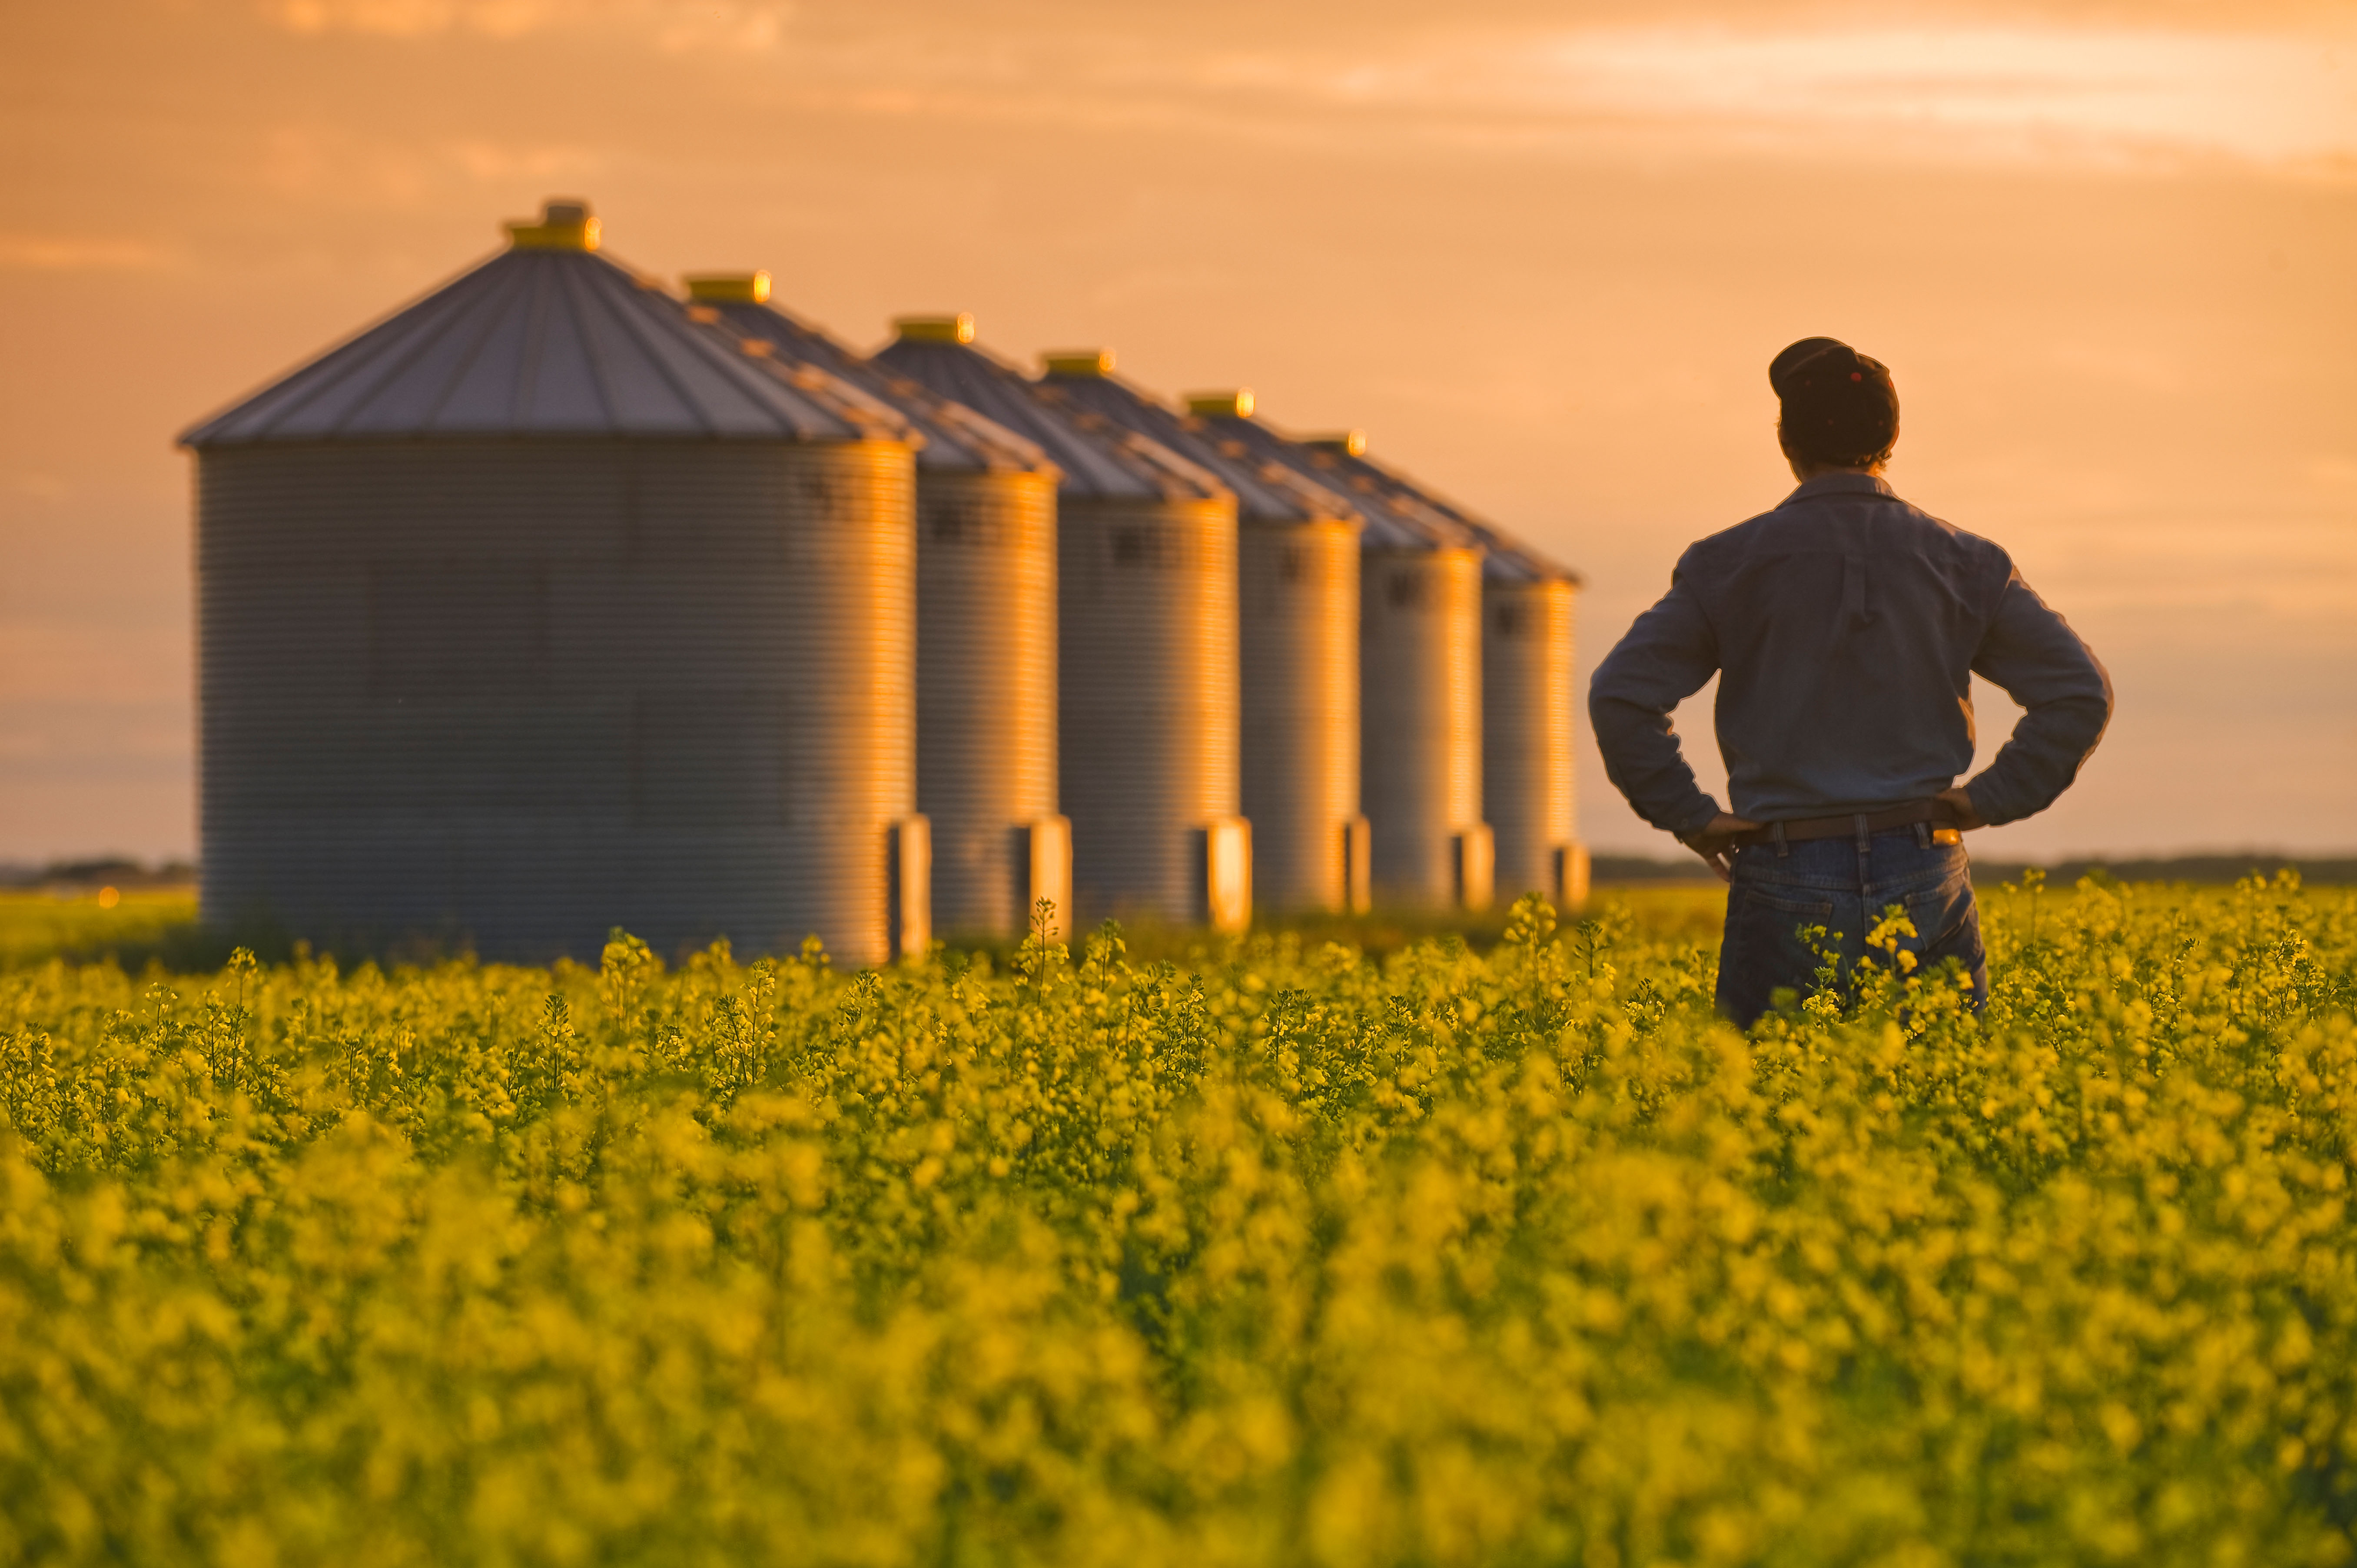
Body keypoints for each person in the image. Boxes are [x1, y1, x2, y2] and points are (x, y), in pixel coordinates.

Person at [1588, 338, 2112, 1026]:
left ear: (1785, 440)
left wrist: (1691, 815)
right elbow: (2080, 692)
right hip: (1925, 864)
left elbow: (1621, 694)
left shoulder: (1727, 564)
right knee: (1939, 1111)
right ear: (1891, 438)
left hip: (1784, 869)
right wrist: (1984, 801)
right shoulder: (1966, 562)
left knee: (1774, 1112)